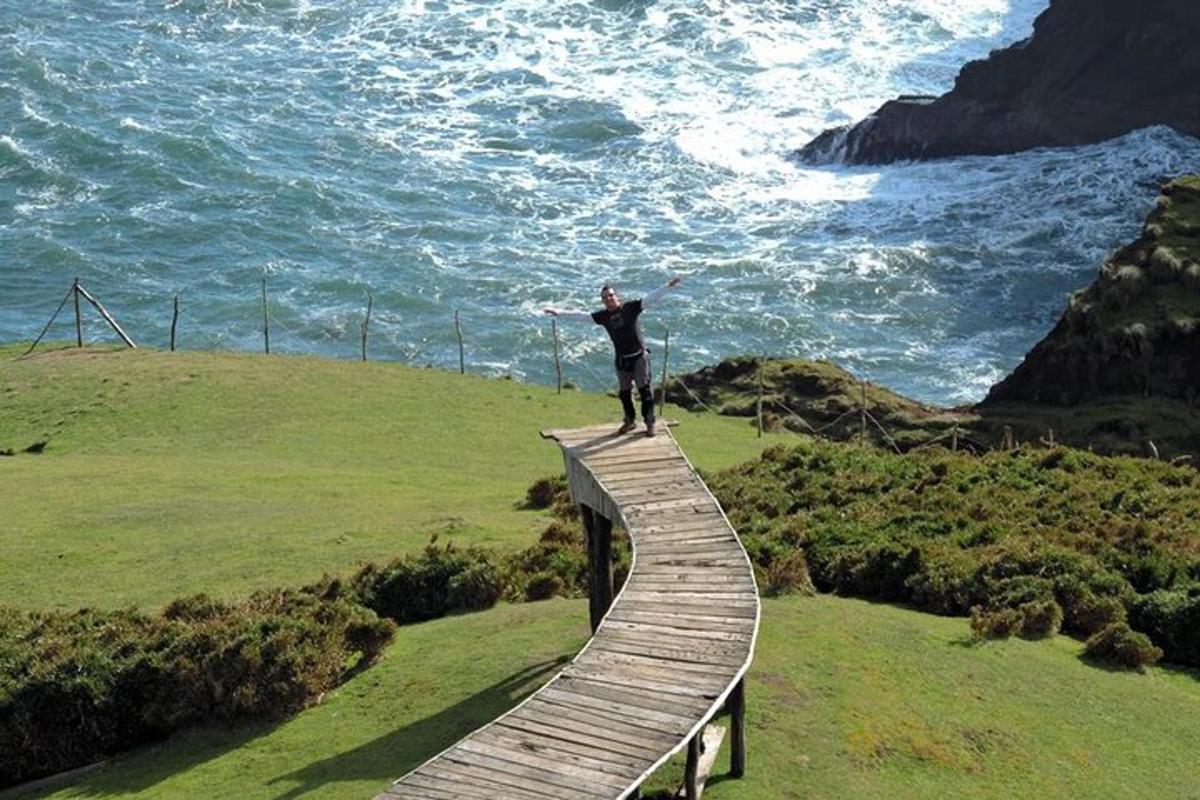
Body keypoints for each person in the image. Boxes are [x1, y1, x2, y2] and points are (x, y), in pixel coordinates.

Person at [544, 276, 682, 436]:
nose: (608, 299)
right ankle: (629, 421)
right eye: (605, 298)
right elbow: (582, 316)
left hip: (639, 357)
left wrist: (668, 286)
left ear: (617, 296)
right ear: (602, 301)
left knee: (644, 391)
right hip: (622, 360)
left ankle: (650, 423)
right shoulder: (603, 316)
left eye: (611, 295)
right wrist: (559, 313)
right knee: (624, 393)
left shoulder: (631, 308)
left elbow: (651, 299)